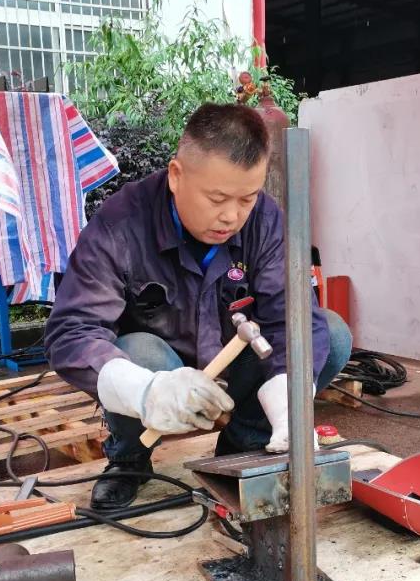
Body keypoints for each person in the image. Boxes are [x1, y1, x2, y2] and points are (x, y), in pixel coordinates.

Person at [44, 102, 352, 510]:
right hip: (162, 370)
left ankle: (245, 446)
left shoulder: (264, 220)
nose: (231, 216)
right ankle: (130, 458)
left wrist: (288, 406)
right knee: (138, 352)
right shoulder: (122, 223)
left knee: (331, 334)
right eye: (217, 198)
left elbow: (292, 319)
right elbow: (72, 331)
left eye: (247, 198)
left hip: (236, 363)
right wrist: (146, 391)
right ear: (176, 175)